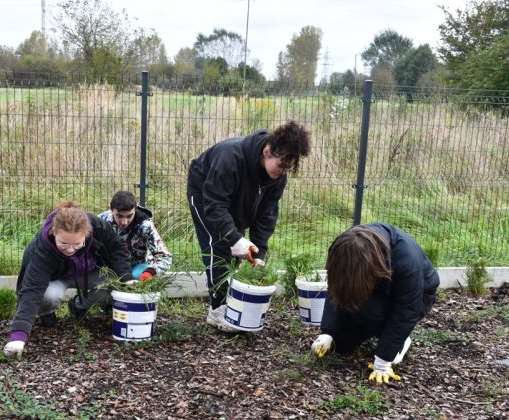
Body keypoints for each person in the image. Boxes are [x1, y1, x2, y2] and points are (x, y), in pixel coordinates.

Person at [187, 120, 311, 331]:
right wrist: (234, 238)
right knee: (217, 246)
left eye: (287, 168)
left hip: (235, 196)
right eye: (280, 165)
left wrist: (259, 252)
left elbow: (266, 215)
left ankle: (233, 303)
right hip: (205, 194)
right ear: (267, 151)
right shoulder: (231, 156)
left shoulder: (277, 178)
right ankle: (217, 310)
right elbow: (215, 204)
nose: (282, 172)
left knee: (237, 250)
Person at [311, 223, 440, 384]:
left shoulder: (406, 260)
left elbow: (406, 311)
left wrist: (384, 360)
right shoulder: (343, 248)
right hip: (375, 288)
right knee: (341, 344)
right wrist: (328, 332)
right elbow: (337, 285)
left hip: (417, 296)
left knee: (369, 309)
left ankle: (400, 342)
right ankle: (365, 330)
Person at [3, 200, 133, 357]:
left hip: (88, 272)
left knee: (115, 282)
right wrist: (18, 337)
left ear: (86, 234)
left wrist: (127, 277)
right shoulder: (41, 249)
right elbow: (31, 290)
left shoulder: (97, 226)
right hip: (57, 279)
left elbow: (117, 247)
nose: (70, 250)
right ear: (54, 232)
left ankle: (80, 306)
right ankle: (45, 313)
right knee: (46, 295)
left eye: (77, 244)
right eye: (63, 244)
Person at [98, 191, 172, 280]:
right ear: (111, 209)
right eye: (119, 216)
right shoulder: (101, 222)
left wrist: (150, 272)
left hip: (136, 267)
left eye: (129, 216)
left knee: (135, 277)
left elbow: (164, 256)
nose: (124, 222)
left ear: (135, 209)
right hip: (108, 268)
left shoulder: (145, 225)